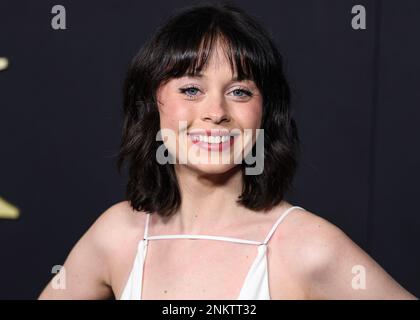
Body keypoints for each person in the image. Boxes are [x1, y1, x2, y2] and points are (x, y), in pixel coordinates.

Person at [38, 3, 417, 300]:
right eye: (191, 90)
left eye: (240, 92)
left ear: (266, 112)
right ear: (151, 106)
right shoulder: (118, 234)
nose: (216, 113)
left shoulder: (308, 247)